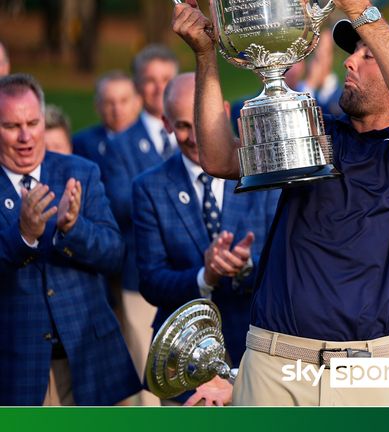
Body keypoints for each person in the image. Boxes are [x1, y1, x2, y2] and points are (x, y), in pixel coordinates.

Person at [172, 0, 389, 406]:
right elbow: (218, 158)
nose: (349, 63)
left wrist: (361, 10)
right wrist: (204, 57)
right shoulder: (319, 129)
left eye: (367, 55)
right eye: (352, 53)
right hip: (275, 360)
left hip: (367, 370)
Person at [133, 73, 280, 405]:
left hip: (254, 351)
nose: (196, 136)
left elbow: (285, 265)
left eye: (201, 122)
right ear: (166, 123)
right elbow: (151, 281)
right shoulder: (149, 187)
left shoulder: (261, 174)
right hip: (184, 361)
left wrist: (245, 267)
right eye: (183, 125)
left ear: (223, 111)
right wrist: (205, 276)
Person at [0, 73, 141, 405]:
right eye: (10, 126)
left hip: (88, 358)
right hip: (18, 365)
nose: (25, 136)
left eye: (32, 123)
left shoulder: (81, 171)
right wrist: (23, 236)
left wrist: (74, 229)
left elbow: (114, 254)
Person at [101, 44, 180, 406]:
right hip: (141, 279)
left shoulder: (193, 132)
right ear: (137, 85)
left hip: (193, 272)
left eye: (166, 79)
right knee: (147, 376)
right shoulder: (120, 144)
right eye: (149, 81)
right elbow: (120, 203)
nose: (158, 88)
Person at [72, 71, 141, 165]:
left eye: (124, 101)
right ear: (97, 106)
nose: (117, 109)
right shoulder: (80, 145)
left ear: (138, 103)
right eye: (109, 102)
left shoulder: (156, 140)